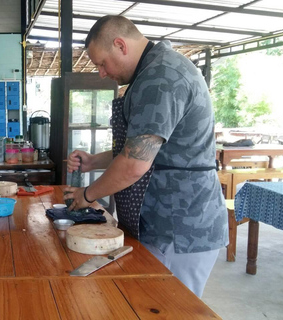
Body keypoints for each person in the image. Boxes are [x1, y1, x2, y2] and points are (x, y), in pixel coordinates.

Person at [64, 15, 228, 298]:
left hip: (180, 226)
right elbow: (139, 149)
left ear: (120, 45)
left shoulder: (160, 77)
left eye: (102, 63)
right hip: (160, 223)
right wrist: (93, 161)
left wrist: (87, 195)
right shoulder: (153, 69)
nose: (102, 73)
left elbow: (134, 165)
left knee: (171, 309)